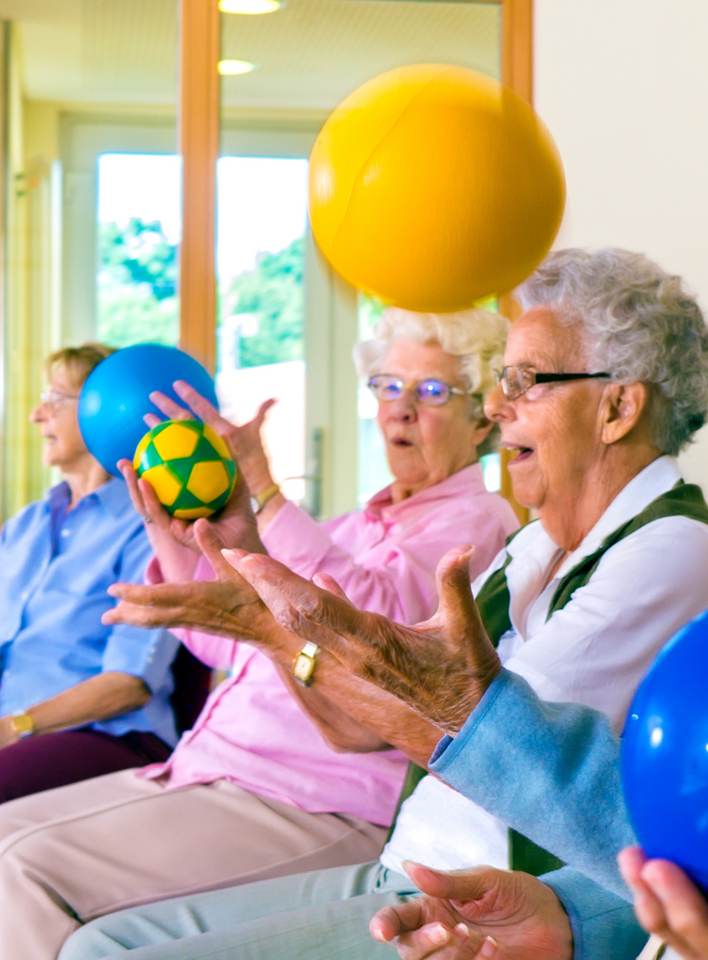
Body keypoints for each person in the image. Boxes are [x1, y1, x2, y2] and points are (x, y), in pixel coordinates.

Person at [60, 248, 708, 960]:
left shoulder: (671, 546)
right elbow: (354, 725)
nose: (497, 407)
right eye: (500, 381)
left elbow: (483, 738)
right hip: (405, 862)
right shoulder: (533, 547)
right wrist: (261, 603)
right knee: (99, 943)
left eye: (526, 382)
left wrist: (277, 629)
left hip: (481, 897)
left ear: (618, 406)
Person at [0, 308, 518, 960]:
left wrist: (267, 494)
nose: (401, 409)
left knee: (16, 874)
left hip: (319, 801)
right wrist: (166, 522)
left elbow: (362, 632)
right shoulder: (353, 525)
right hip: (209, 772)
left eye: (432, 391)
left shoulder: (478, 522)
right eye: (388, 386)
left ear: (483, 417)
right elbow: (229, 641)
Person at [0, 344, 179, 804]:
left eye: (55, 398)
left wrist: (16, 725)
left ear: (108, 409)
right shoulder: (25, 526)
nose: (36, 415)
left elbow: (129, 682)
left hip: (109, 735)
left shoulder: (149, 528)